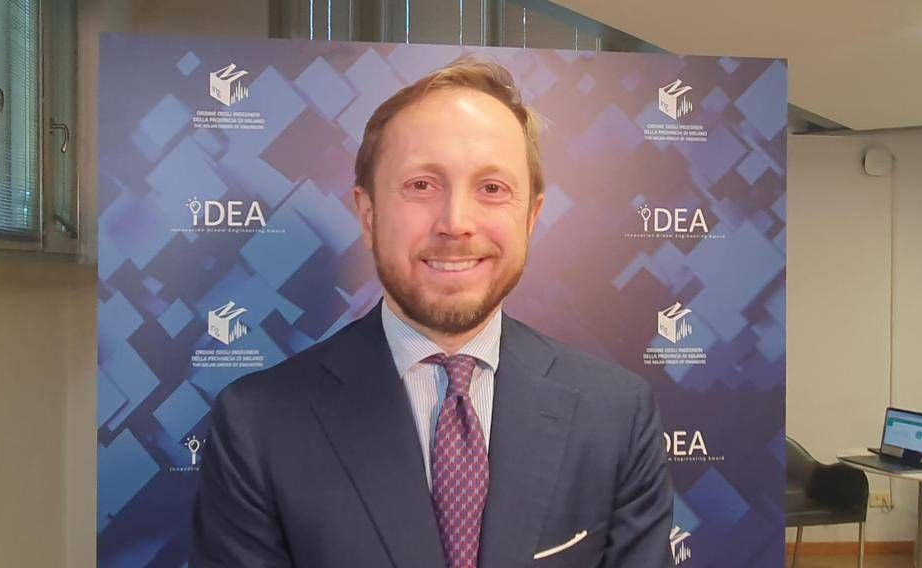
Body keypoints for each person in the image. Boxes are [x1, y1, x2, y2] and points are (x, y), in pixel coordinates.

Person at [191, 58, 674, 568]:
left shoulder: (617, 416)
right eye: (421, 185)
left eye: (492, 188)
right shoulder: (258, 424)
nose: (456, 222)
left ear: (531, 217)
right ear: (368, 214)